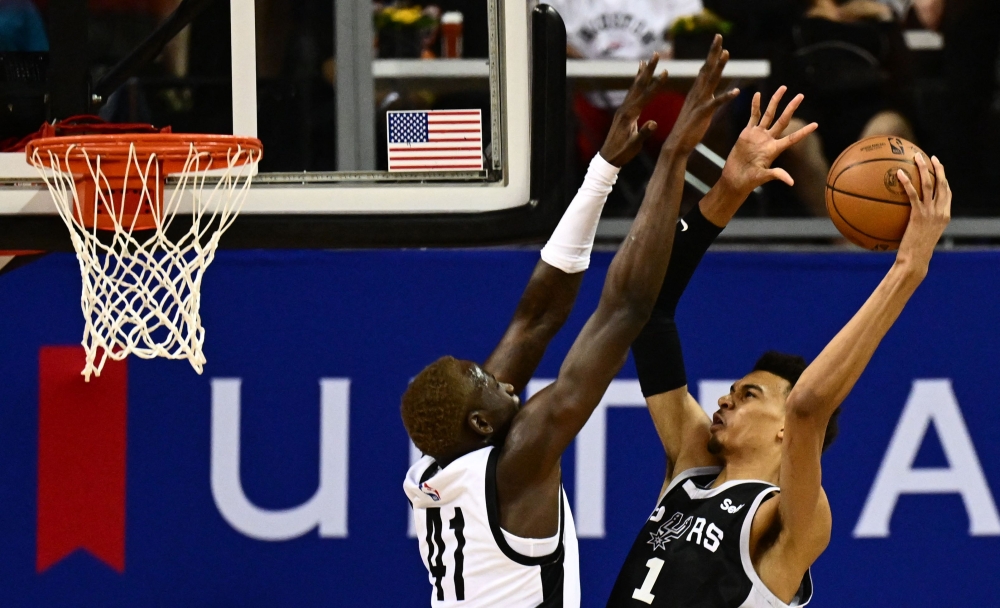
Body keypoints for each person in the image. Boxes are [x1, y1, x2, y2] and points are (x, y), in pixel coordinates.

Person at [402, 40, 743, 607]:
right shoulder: (517, 460)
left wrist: (604, 168)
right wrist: (673, 156)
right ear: (483, 424)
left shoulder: (447, 458)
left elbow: (538, 315)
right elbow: (626, 309)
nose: (501, 377)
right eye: (483, 380)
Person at [605, 94, 952, 605]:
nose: (724, 401)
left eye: (748, 396)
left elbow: (810, 404)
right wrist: (724, 193)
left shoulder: (790, 519)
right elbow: (647, 309)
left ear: (785, 428)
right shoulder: (691, 464)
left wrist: (907, 270)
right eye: (734, 392)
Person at [773, 0, 917, 216]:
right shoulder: (793, 17)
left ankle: (861, 228)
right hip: (811, 106)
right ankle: (839, 234)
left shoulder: (876, 18)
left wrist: (886, 19)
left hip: (869, 105)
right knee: (791, 134)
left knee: (884, 133)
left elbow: (904, 72)